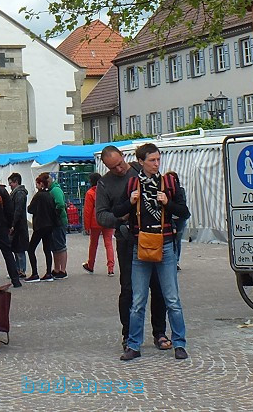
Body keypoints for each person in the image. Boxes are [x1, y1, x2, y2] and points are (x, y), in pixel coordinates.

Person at [96, 144, 170, 357]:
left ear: (123, 156)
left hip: (152, 237)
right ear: (106, 166)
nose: (119, 169)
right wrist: (121, 218)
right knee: (129, 289)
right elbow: (101, 215)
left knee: (157, 286)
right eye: (113, 168)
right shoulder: (104, 184)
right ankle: (128, 334)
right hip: (127, 240)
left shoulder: (141, 171)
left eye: (119, 164)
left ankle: (159, 332)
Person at [118, 142, 190, 361]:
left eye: (158, 159)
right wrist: (130, 203)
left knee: (172, 299)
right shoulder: (132, 183)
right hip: (141, 245)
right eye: (152, 160)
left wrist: (168, 203)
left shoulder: (168, 182)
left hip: (165, 244)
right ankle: (133, 345)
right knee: (138, 300)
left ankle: (179, 343)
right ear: (141, 162)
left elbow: (184, 212)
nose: (157, 164)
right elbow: (117, 211)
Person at [83, 172, 115, 275]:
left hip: (95, 221)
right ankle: (111, 268)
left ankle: (90, 265)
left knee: (93, 244)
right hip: (108, 219)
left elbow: (88, 211)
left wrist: (87, 226)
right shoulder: (108, 191)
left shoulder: (90, 193)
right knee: (108, 243)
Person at [26, 175, 57, 282]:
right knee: (47, 249)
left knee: (31, 249)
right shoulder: (50, 195)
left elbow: (30, 209)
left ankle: (35, 273)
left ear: (41, 184)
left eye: (37, 183)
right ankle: (48, 272)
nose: (36, 185)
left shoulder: (38, 196)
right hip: (49, 225)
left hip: (39, 225)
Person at [44, 172, 70, 278]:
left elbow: (60, 203)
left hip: (59, 222)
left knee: (60, 246)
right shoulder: (54, 189)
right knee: (56, 246)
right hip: (57, 221)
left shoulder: (55, 190)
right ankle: (57, 269)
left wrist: (54, 213)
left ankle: (62, 270)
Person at [7, 173, 29, 279]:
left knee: (19, 249)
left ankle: (21, 270)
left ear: (16, 182)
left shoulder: (19, 194)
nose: (10, 185)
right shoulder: (17, 193)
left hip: (19, 226)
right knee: (16, 248)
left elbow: (18, 210)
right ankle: (18, 269)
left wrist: (13, 224)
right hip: (18, 225)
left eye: (11, 183)